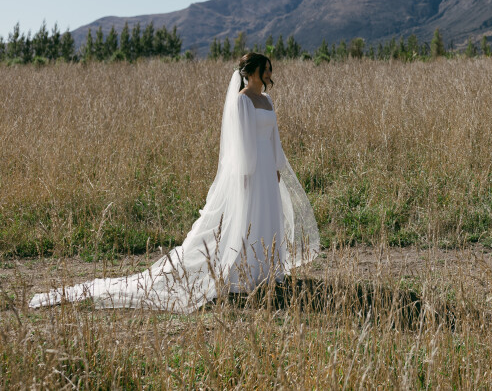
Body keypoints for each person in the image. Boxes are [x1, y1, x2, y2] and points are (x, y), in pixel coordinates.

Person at [29, 53, 320, 313]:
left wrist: (277, 166)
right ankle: (242, 274)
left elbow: (274, 137)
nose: (269, 73)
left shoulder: (267, 100)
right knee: (248, 218)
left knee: (268, 214)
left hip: (267, 167)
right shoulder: (242, 100)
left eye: (270, 68)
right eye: (265, 69)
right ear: (252, 72)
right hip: (250, 170)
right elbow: (241, 142)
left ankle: (267, 271)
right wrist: (246, 173)